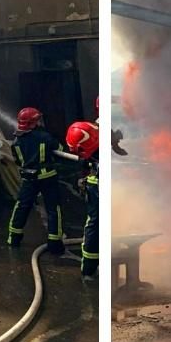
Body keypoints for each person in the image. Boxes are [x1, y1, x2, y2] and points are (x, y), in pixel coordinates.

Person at [6, 107, 66, 255]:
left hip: (29, 178)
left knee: (22, 206)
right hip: (48, 177)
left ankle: (14, 237)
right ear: (33, 123)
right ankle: (54, 242)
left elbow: (18, 161)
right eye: (37, 120)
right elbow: (59, 148)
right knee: (53, 209)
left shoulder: (16, 141)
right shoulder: (45, 137)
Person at [65, 98, 100, 279]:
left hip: (95, 185)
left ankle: (89, 268)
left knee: (94, 224)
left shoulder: (91, 130)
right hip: (98, 184)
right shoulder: (93, 132)